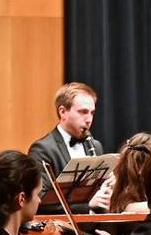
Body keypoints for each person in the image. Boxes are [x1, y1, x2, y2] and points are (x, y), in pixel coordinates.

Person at [28, 82, 110, 213]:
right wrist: (88, 206)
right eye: (83, 112)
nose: (89, 119)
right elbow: (40, 202)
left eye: (92, 113)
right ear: (63, 112)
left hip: (94, 229)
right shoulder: (42, 150)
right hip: (59, 230)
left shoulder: (96, 146)